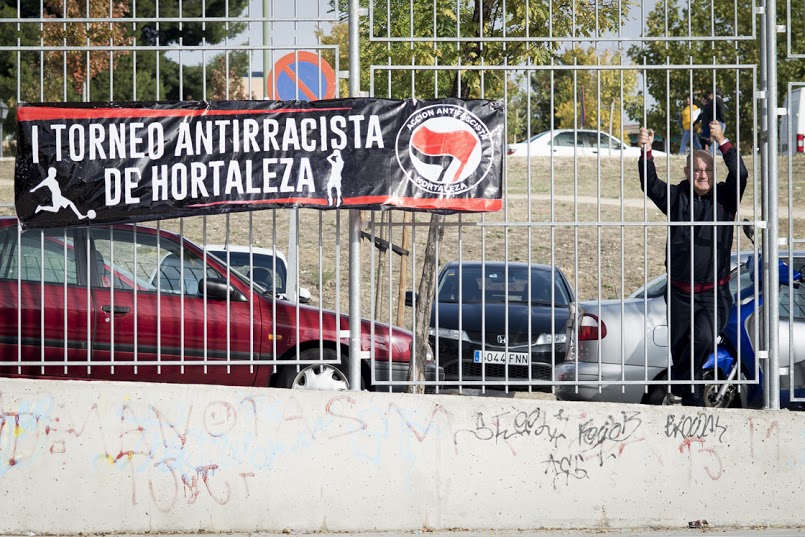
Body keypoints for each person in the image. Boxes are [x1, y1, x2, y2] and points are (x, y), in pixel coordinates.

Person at [637, 122, 748, 406]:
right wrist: (646, 151)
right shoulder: (676, 197)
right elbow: (650, 184)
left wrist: (722, 141)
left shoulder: (726, 198)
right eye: (697, 170)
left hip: (714, 293)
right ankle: (692, 402)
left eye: (707, 170)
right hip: (679, 294)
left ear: (714, 172)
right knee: (682, 351)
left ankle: (678, 383)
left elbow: (741, 173)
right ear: (687, 172)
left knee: (704, 338)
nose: (702, 174)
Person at [694, 89, 727, 154]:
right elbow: (722, 111)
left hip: (712, 121)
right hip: (719, 121)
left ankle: (715, 151)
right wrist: (723, 120)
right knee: (719, 136)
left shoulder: (711, 102)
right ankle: (712, 151)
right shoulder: (719, 100)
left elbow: (704, 115)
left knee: (714, 137)